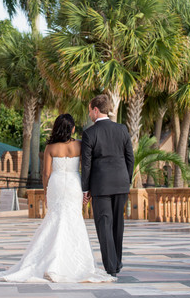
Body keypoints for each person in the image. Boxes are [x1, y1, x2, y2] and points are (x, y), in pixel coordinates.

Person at [0, 114, 115, 283]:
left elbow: (46, 173)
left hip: (55, 184)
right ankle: (75, 263)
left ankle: (48, 260)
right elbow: (86, 168)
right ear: (71, 129)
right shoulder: (79, 145)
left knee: (54, 219)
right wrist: (86, 190)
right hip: (73, 184)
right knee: (74, 219)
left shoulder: (51, 147)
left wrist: (46, 191)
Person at [81, 94, 134, 277]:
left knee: (104, 225)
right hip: (121, 184)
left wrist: (85, 189)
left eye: (90, 110)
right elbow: (130, 158)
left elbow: (86, 164)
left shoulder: (89, 133)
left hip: (101, 186)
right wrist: (126, 180)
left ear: (96, 110)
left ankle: (111, 267)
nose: (89, 114)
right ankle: (117, 263)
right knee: (118, 225)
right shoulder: (122, 129)